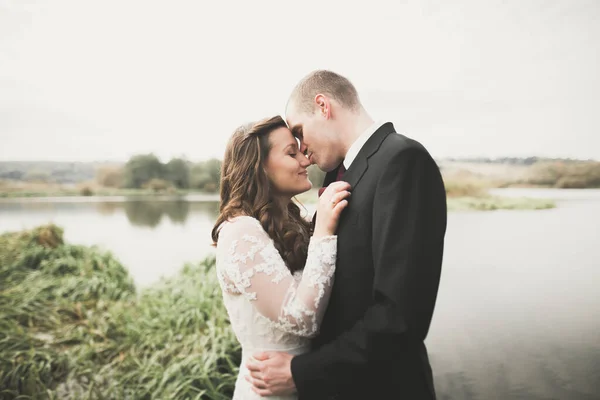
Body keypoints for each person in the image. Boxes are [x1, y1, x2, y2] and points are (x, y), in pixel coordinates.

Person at [245, 70, 448, 399]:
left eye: (299, 131)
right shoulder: (340, 174)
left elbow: (399, 317)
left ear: (323, 106)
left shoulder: (402, 160)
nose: (302, 150)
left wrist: (301, 372)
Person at [211, 115, 351, 400]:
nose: (306, 160)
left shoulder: (294, 219)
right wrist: (324, 230)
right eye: (292, 153)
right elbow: (302, 319)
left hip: (308, 385)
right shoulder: (240, 231)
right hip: (267, 392)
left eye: (301, 150)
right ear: (259, 168)